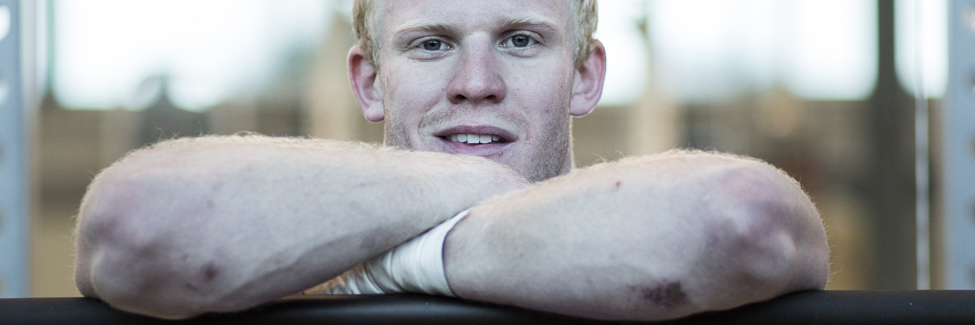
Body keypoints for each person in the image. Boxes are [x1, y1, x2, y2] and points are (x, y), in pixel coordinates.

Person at [73, 0, 829, 321]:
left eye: (520, 39)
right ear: (369, 81)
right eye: (430, 43)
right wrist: (479, 186)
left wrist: (401, 259)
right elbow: (137, 226)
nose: (475, 84)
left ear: (587, 76)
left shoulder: (673, 215)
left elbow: (742, 217)